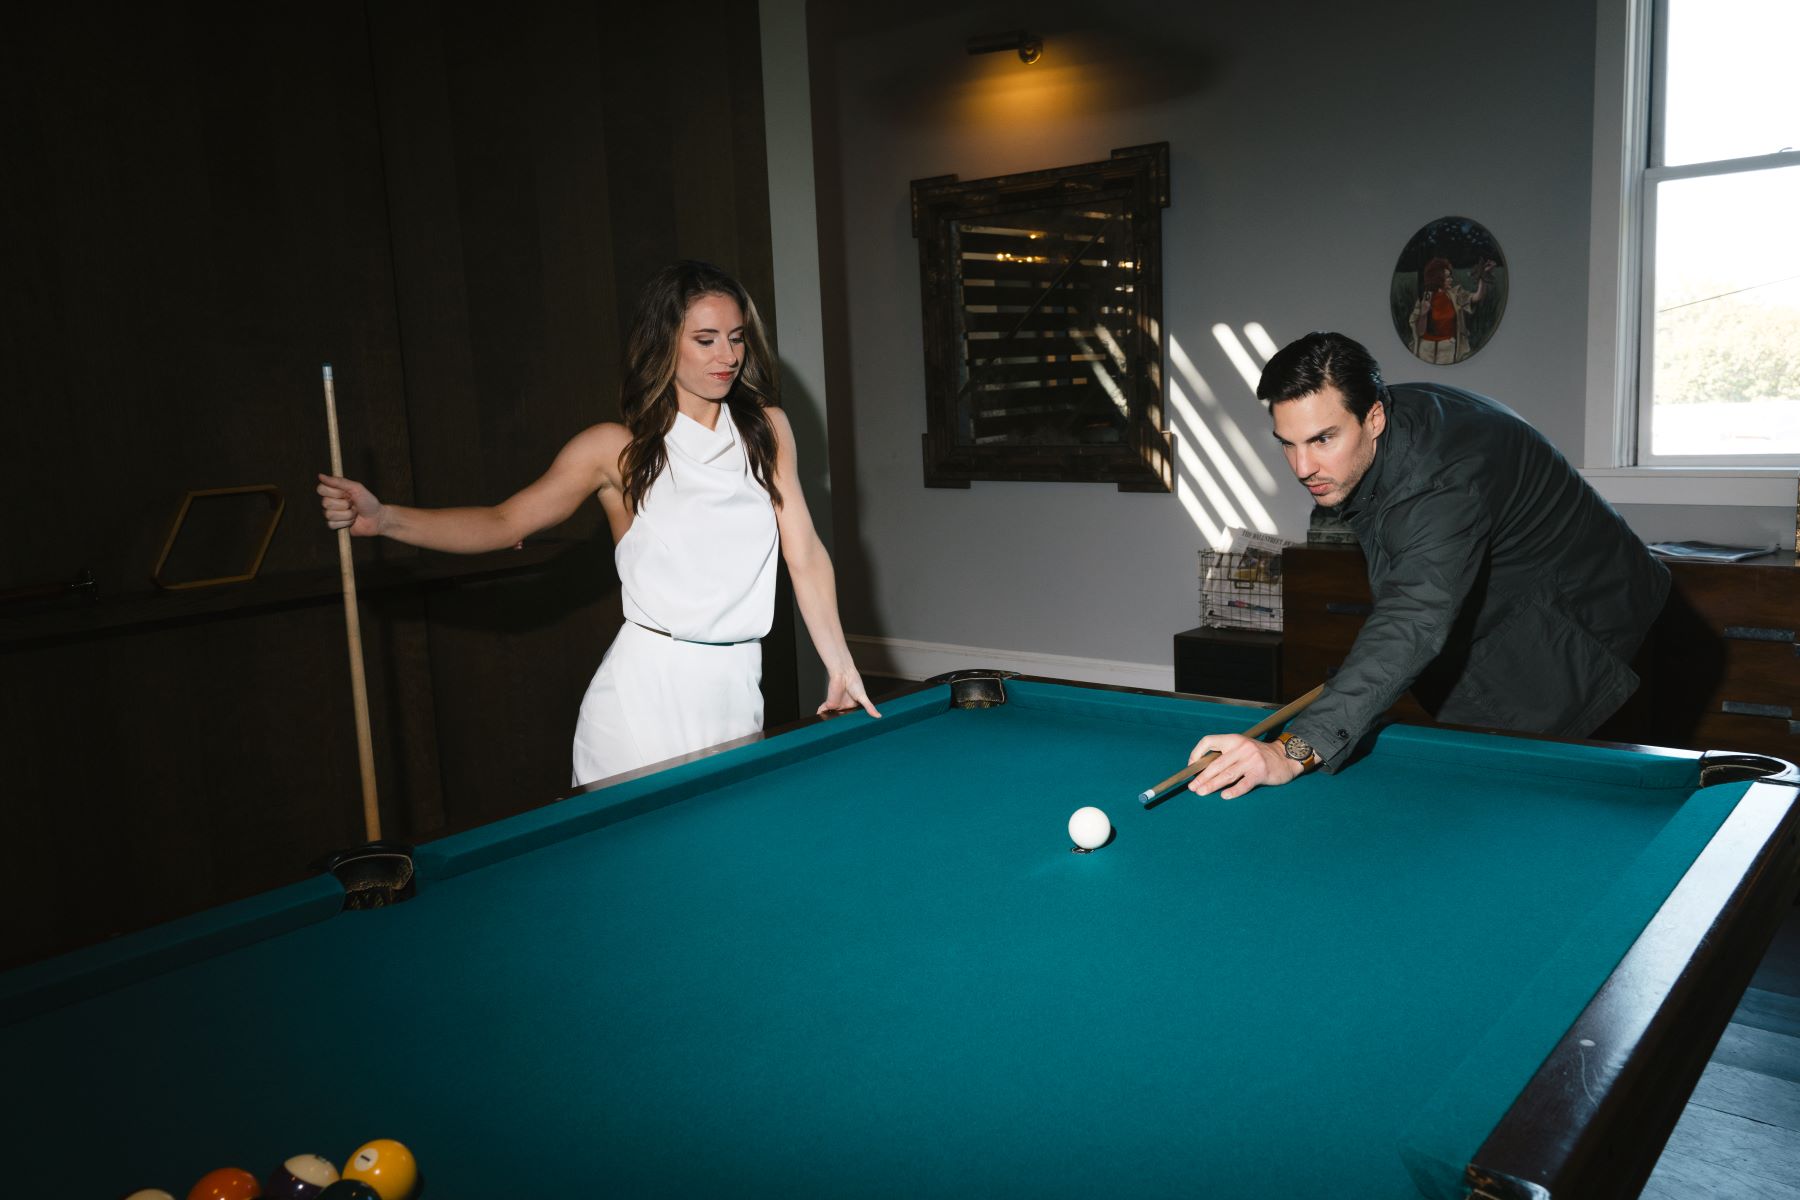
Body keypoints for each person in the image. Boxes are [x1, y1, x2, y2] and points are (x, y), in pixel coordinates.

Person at [318, 260, 879, 785]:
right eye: (705, 340)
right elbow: (504, 520)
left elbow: (803, 552)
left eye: (735, 339)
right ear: (665, 345)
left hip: (737, 687)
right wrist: (386, 518)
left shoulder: (768, 431)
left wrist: (840, 663)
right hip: (643, 698)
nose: (726, 356)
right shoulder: (617, 450)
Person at [1187, 331, 1668, 798]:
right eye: (1288, 443)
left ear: (1373, 417)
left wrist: (1292, 750)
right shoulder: (1385, 421)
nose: (1302, 467)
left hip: (1601, 628)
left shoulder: (1438, 482)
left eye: (1322, 439)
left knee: (1544, 817)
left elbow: (1413, 616)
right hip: (1522, 612)